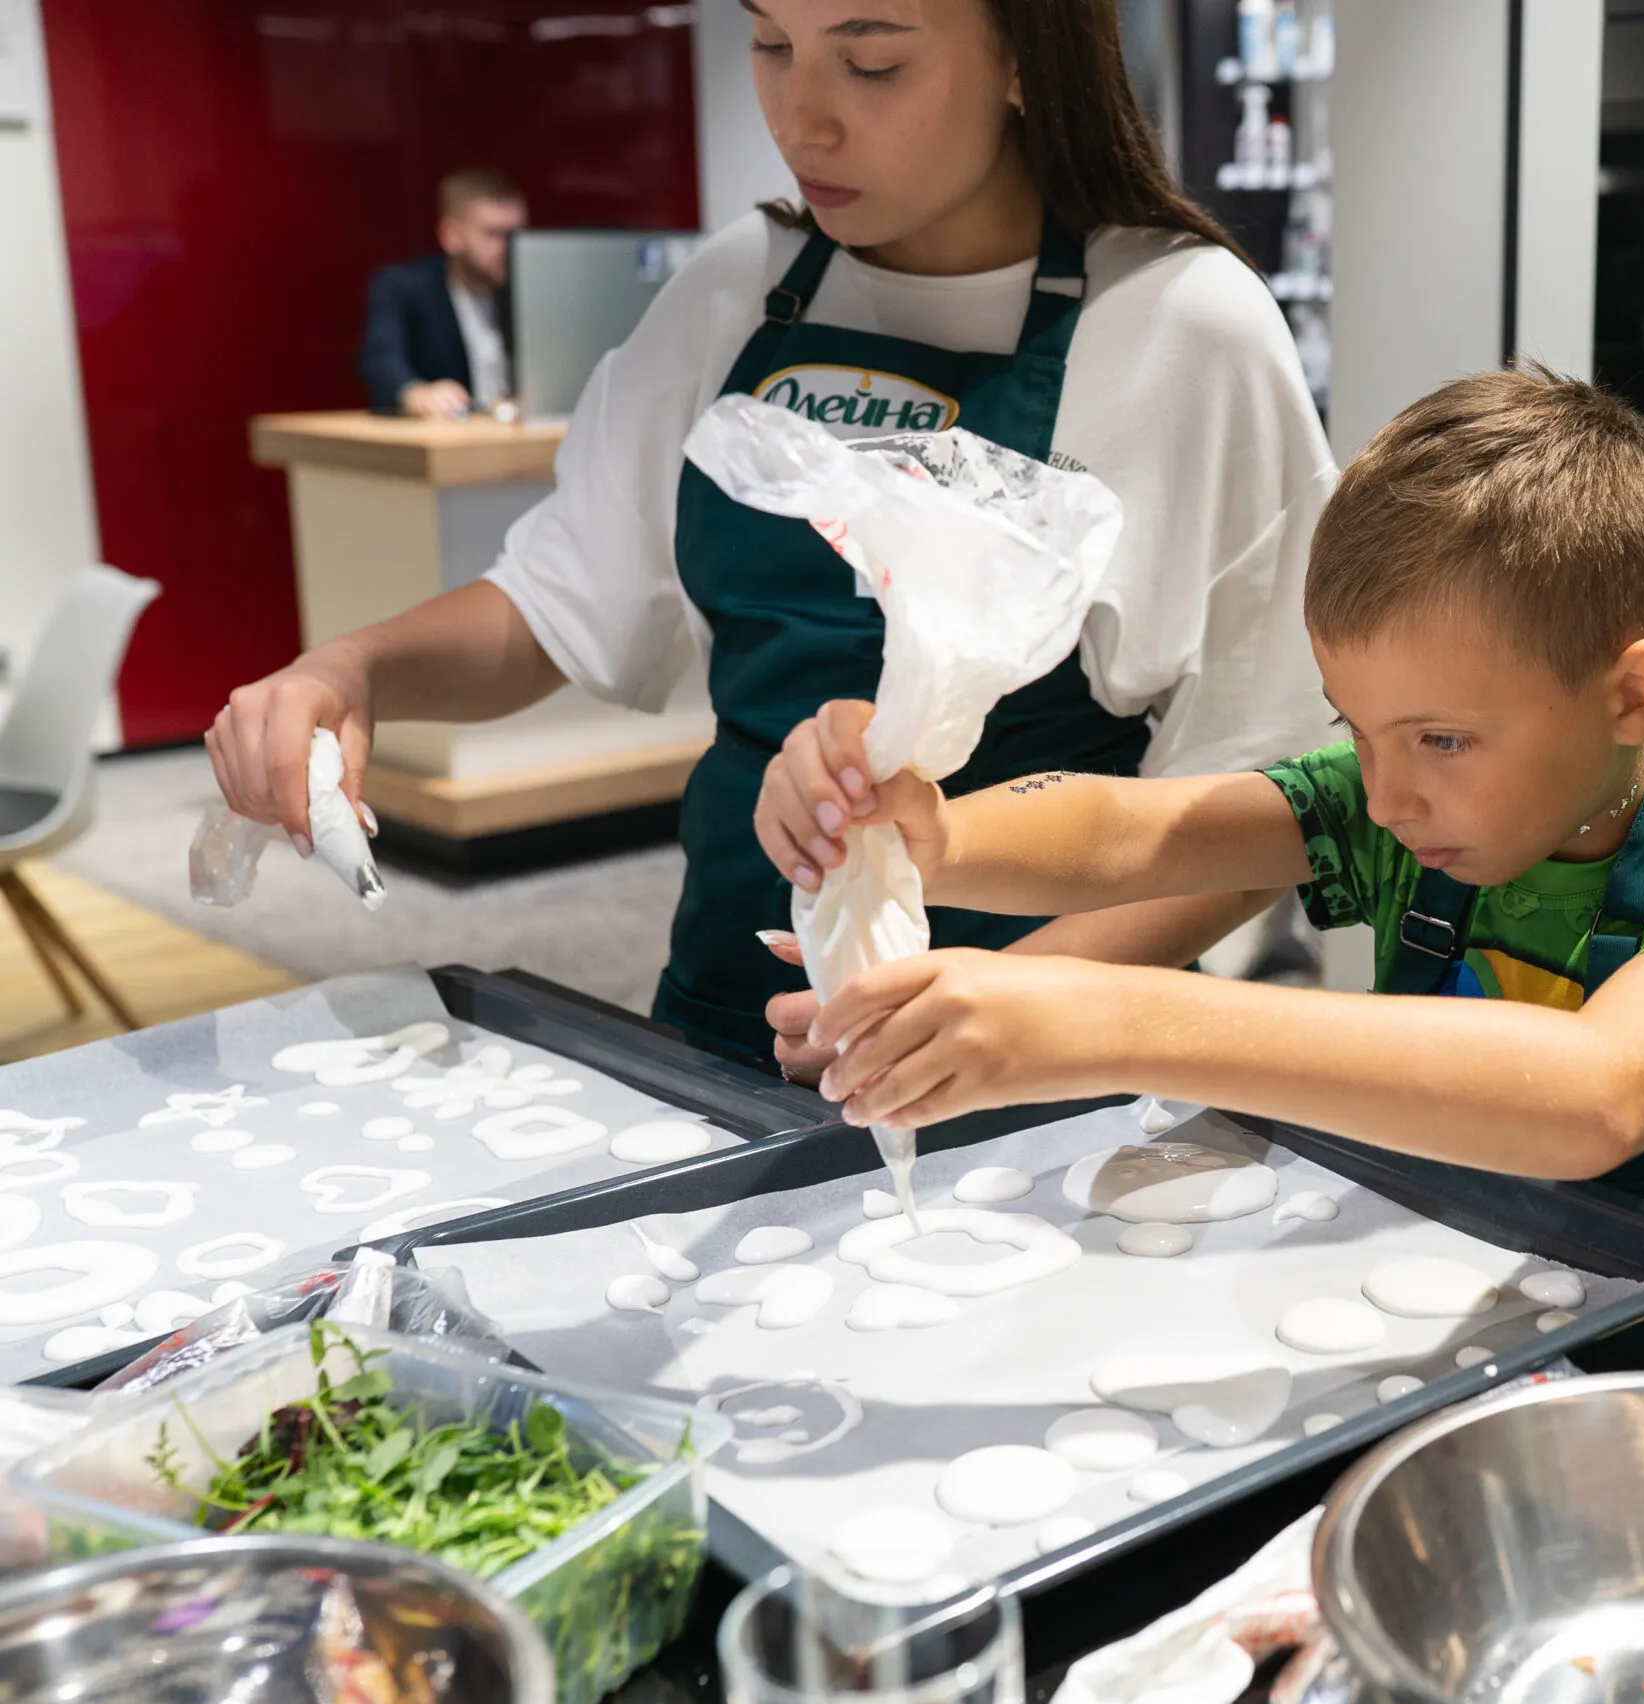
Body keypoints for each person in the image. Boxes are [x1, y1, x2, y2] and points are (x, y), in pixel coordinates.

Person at [211, 0, 1337, 1071]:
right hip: (728, 1016)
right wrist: (350, 671)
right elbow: (554, 602)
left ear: (1024, 57)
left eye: (871, 61)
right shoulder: (735, 292)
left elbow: (1271, 799)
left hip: (1050, 1053)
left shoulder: (1181, 329)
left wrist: (1008, 1010)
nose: (801, 118)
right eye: (768, 44)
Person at [759, 369, 1644, 1372]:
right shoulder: (1403, 812)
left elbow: (1603, 1093)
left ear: (1632, 695)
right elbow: (1133, 831)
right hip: (1422, 1348)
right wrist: (929, 836)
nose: (1382, 797)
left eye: (1442, 741)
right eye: (1358, 732)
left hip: (1633, 1411)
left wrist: (1105, 1023)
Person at [360, 168, 527, 418]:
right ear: (451, 236)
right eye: (493, 234)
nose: (509, 248)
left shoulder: (532, 290)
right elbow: (380, 360)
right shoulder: (405, 287)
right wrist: (416, 394)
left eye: (515, 234)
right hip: (452, 440)